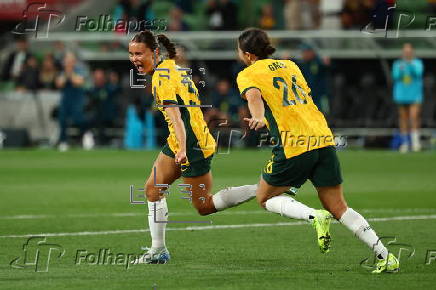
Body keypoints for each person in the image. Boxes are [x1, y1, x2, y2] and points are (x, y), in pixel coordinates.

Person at [235, 28, 399, 274]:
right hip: (322, 136)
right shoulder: (291, 66)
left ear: (248, 55)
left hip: (295, 142)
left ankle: (314, 216)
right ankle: (386, 256)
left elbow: (255, 97)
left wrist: (258, 116)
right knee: (338, 205)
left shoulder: (247, 74)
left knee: (265, 197)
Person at [128, 30, 259, 264]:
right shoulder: (172, 67)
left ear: (155, 53)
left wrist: (183, 149)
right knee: (152, 190)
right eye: (131, 54)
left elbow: (177, 117)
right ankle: (158, 251)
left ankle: (263, 189)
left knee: (204, 206)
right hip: (181, 140)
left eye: (140, 53)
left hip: (192, 144)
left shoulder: (162, 77)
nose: (135, 58)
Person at [392, 43, 424, 153]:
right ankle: (405, 143)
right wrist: (401, 69)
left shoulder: (417, 63)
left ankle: (415, 143)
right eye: (405, 52)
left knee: (413, 117)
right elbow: (395, 76)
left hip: (414, 94)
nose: (407, 53)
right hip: (401, 94)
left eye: (409, 52)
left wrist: (410, 65)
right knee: (403, 119)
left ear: (412, 52)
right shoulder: (398, 64)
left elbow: (418, 73)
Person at [55, 52, 89, 151]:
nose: (68, 63)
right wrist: (67, 74)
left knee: (78, 119)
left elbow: (79, 82)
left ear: (74, 62)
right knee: (62, 120)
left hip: (77, 99)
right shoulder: (62, 72)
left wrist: (70, 73)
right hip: (65, 99)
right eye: (67, 61)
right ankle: (63, 141)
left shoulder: (79, 70)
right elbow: (59, 84)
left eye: (70, 61)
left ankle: (85, 136)